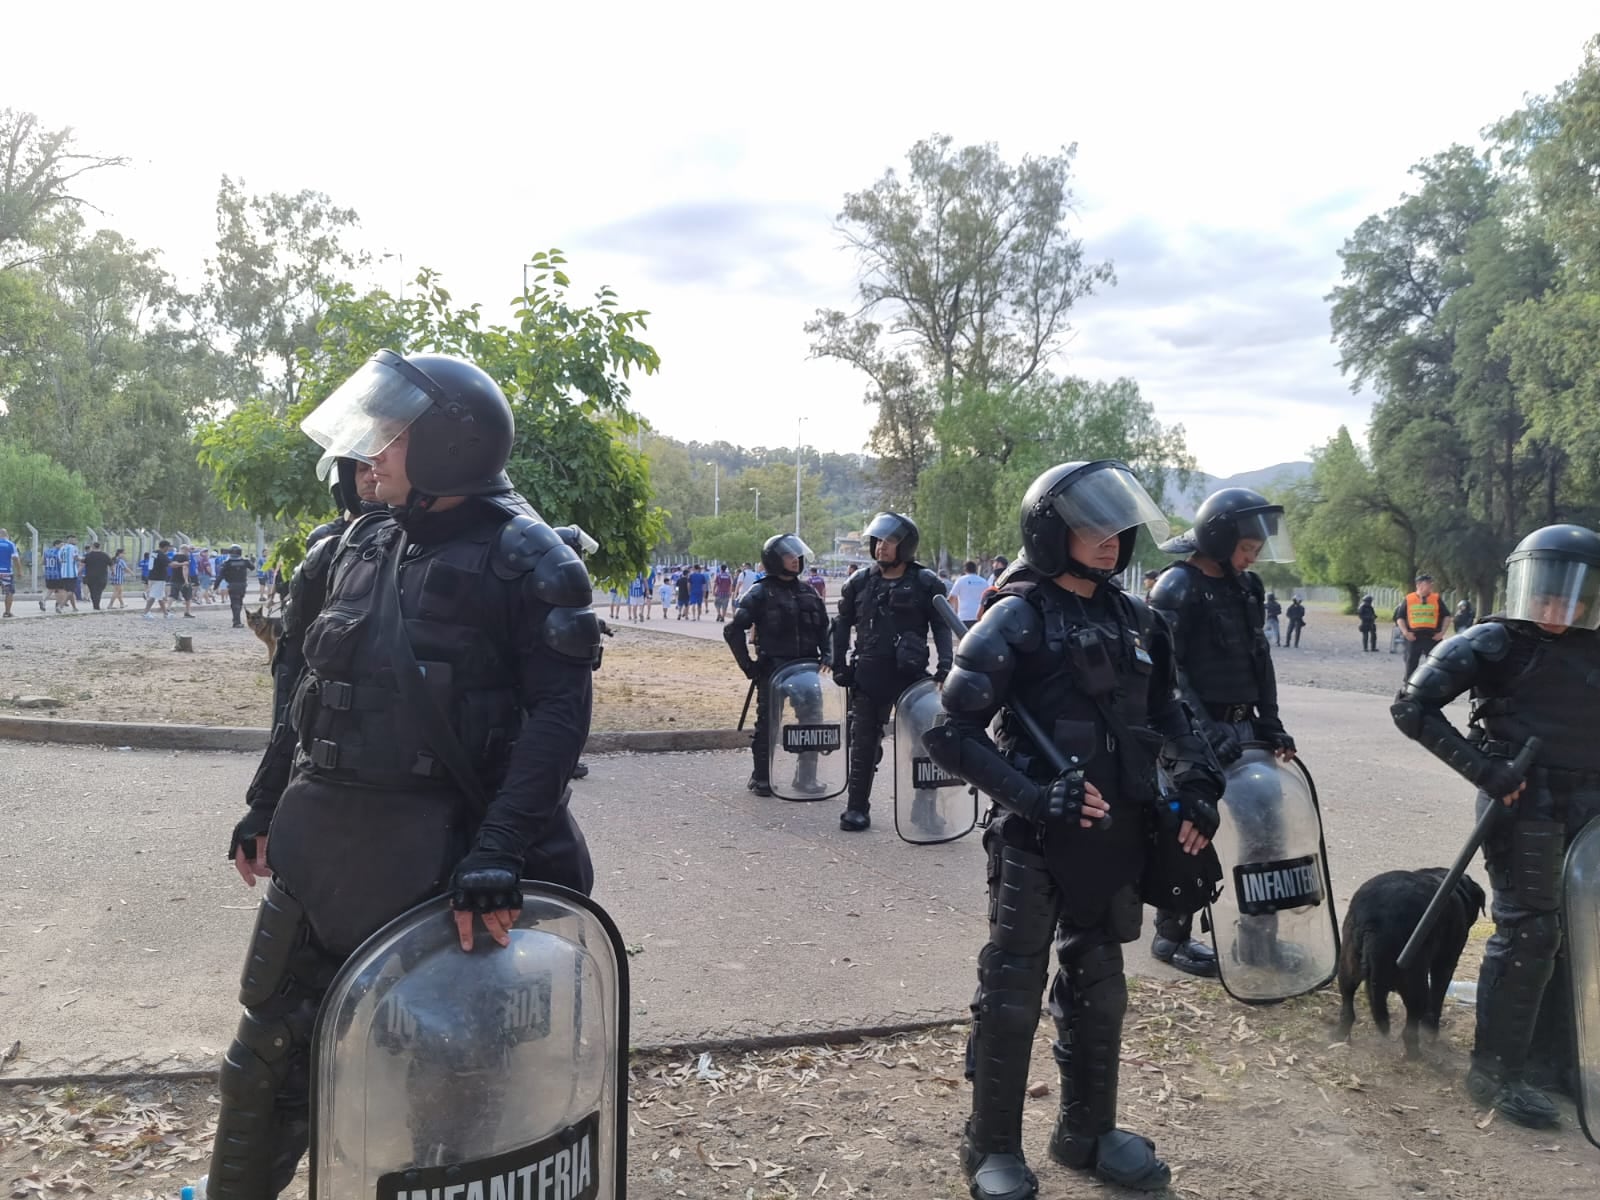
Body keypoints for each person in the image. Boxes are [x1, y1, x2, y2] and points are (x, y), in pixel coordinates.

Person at [209, 349, 599, 1200]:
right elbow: (304, 691)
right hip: (323, 854)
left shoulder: (531, 561)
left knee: (448, 1073)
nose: (368, 453)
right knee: (267, 1056)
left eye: (390, 436)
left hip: (445, 861)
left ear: (452, 449)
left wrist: (500, 850)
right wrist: (265, 802)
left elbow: (557, 721)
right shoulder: (349, 545)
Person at [924, 460, 1223, 1196]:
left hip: (1120, 833)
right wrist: (1031, 797)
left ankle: (1087, 1131)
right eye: (1091, 527)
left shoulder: (1137, 618)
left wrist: (1197, 788)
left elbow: (1173, 718)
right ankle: (989, 1145)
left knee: (1101, 983)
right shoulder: (1015, 615)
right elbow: (948, 730)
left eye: (1116, 528)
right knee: (1014, 987)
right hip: (1037, 839)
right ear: (1051, 530)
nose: (1109, 541)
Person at [1391, 524, 1600, 1129]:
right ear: (1528, 585)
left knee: (1573, 933)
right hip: (1523, 805)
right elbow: (1412, 707)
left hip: (1588, 810)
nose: (1556, 605)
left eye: (1571, 593)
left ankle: (1550, 1061)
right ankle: (1495, 1071)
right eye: (1548, 590)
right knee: (1530, 933)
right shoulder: (1492, 642)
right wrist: (1486, 770)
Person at [1146, 487, 1297, 978]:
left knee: (1268, 833)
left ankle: (1260, 941)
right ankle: (1171, 939)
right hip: (1188, 729)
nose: (1252, 557)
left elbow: (1261, 659)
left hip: (1244, 725)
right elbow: (1167, 671)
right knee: (1190, 831)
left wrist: (1270, 720)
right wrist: (1204, 728)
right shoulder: (1175, 587)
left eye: (1256, 549)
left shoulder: (1247, 588)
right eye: (1247, 548)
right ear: (1218, 537)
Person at [830, 512, 951, 831]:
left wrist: (945, 666)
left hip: (910, 676)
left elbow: (942, 624)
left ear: (906, 546)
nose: (882, 547)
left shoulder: (925, 582)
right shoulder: (858, 582)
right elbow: (841, 625)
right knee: (863, 744)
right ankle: (857, 808)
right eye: (878, 541)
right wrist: (839, 663)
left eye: (890, 541)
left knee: (927, 742)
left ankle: (924, 811)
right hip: (869, 674)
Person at [724, 534, 832, 796]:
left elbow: (825, 629)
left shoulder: (809, 592)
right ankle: (762, 777)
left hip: (806, 669)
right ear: (774, 560)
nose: (795, 560)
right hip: (773, 668)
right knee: (768, 725)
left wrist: (829, 655)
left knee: (812, 724)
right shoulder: (759, 592)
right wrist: (748, 666)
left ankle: (806, 779)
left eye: (797, 555)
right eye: (788, 555)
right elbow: (733, 630)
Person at [1394, 572, 1446, 679]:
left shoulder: (1436, 598)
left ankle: (1434, 684)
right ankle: (1408, 687)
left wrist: (1442, 633)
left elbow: (1447, 616)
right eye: (1428, 583)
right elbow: (1400, 618)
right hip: (1413, 637)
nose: (1431, 585)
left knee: (1436, 663)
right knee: (1411, 663)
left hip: (1432, 636)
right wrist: (1405, 632)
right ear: (1419, 585)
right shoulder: (1409, 599)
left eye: (1431, 583)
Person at [949, 560, 991, 627]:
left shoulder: (960, 580)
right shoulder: (983, 582)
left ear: (965, 569)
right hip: (979, 616)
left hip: (964, 616)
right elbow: (988, 598)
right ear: (976, 569)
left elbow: (952, 597)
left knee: (964, 637)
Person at [220, 546, 254, 628]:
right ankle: (236, 620)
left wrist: (216, 585)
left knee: (235, 603)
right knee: (239, 602)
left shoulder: (227, 562)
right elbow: (252, 567)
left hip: (232, 585)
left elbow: (221, 575)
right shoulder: (245, 561)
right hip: (242, 585)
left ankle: (236, 621)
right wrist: (250, 560)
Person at [142, 541, 172, 619]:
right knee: (153, 596)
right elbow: (170, 564)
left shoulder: (154, 553)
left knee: (160, 596)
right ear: (165, 547)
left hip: (152, 576)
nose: (168, 548)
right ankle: (145, 613)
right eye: (168, 547)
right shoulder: (161, 555)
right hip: (159, 578)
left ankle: (166, 613)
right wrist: (182, 564)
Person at [82, 542, 113, 611]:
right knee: (99, 591)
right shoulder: (105, 555)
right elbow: (111, 564)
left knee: (92, 591)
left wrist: (78, 572)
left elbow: (83, 564)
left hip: (90, 576)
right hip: (102, 576)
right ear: (100, 547)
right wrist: (113, 572)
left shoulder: (88, 555)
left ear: (93, 547)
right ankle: (97, 605)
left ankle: (95, 605)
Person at [0, 527, 18, 618]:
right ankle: (7, 612)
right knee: (9, 593)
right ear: (7, 535)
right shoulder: (10, 544)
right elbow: (15, 558)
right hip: (6, 572)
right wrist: (19, 571)